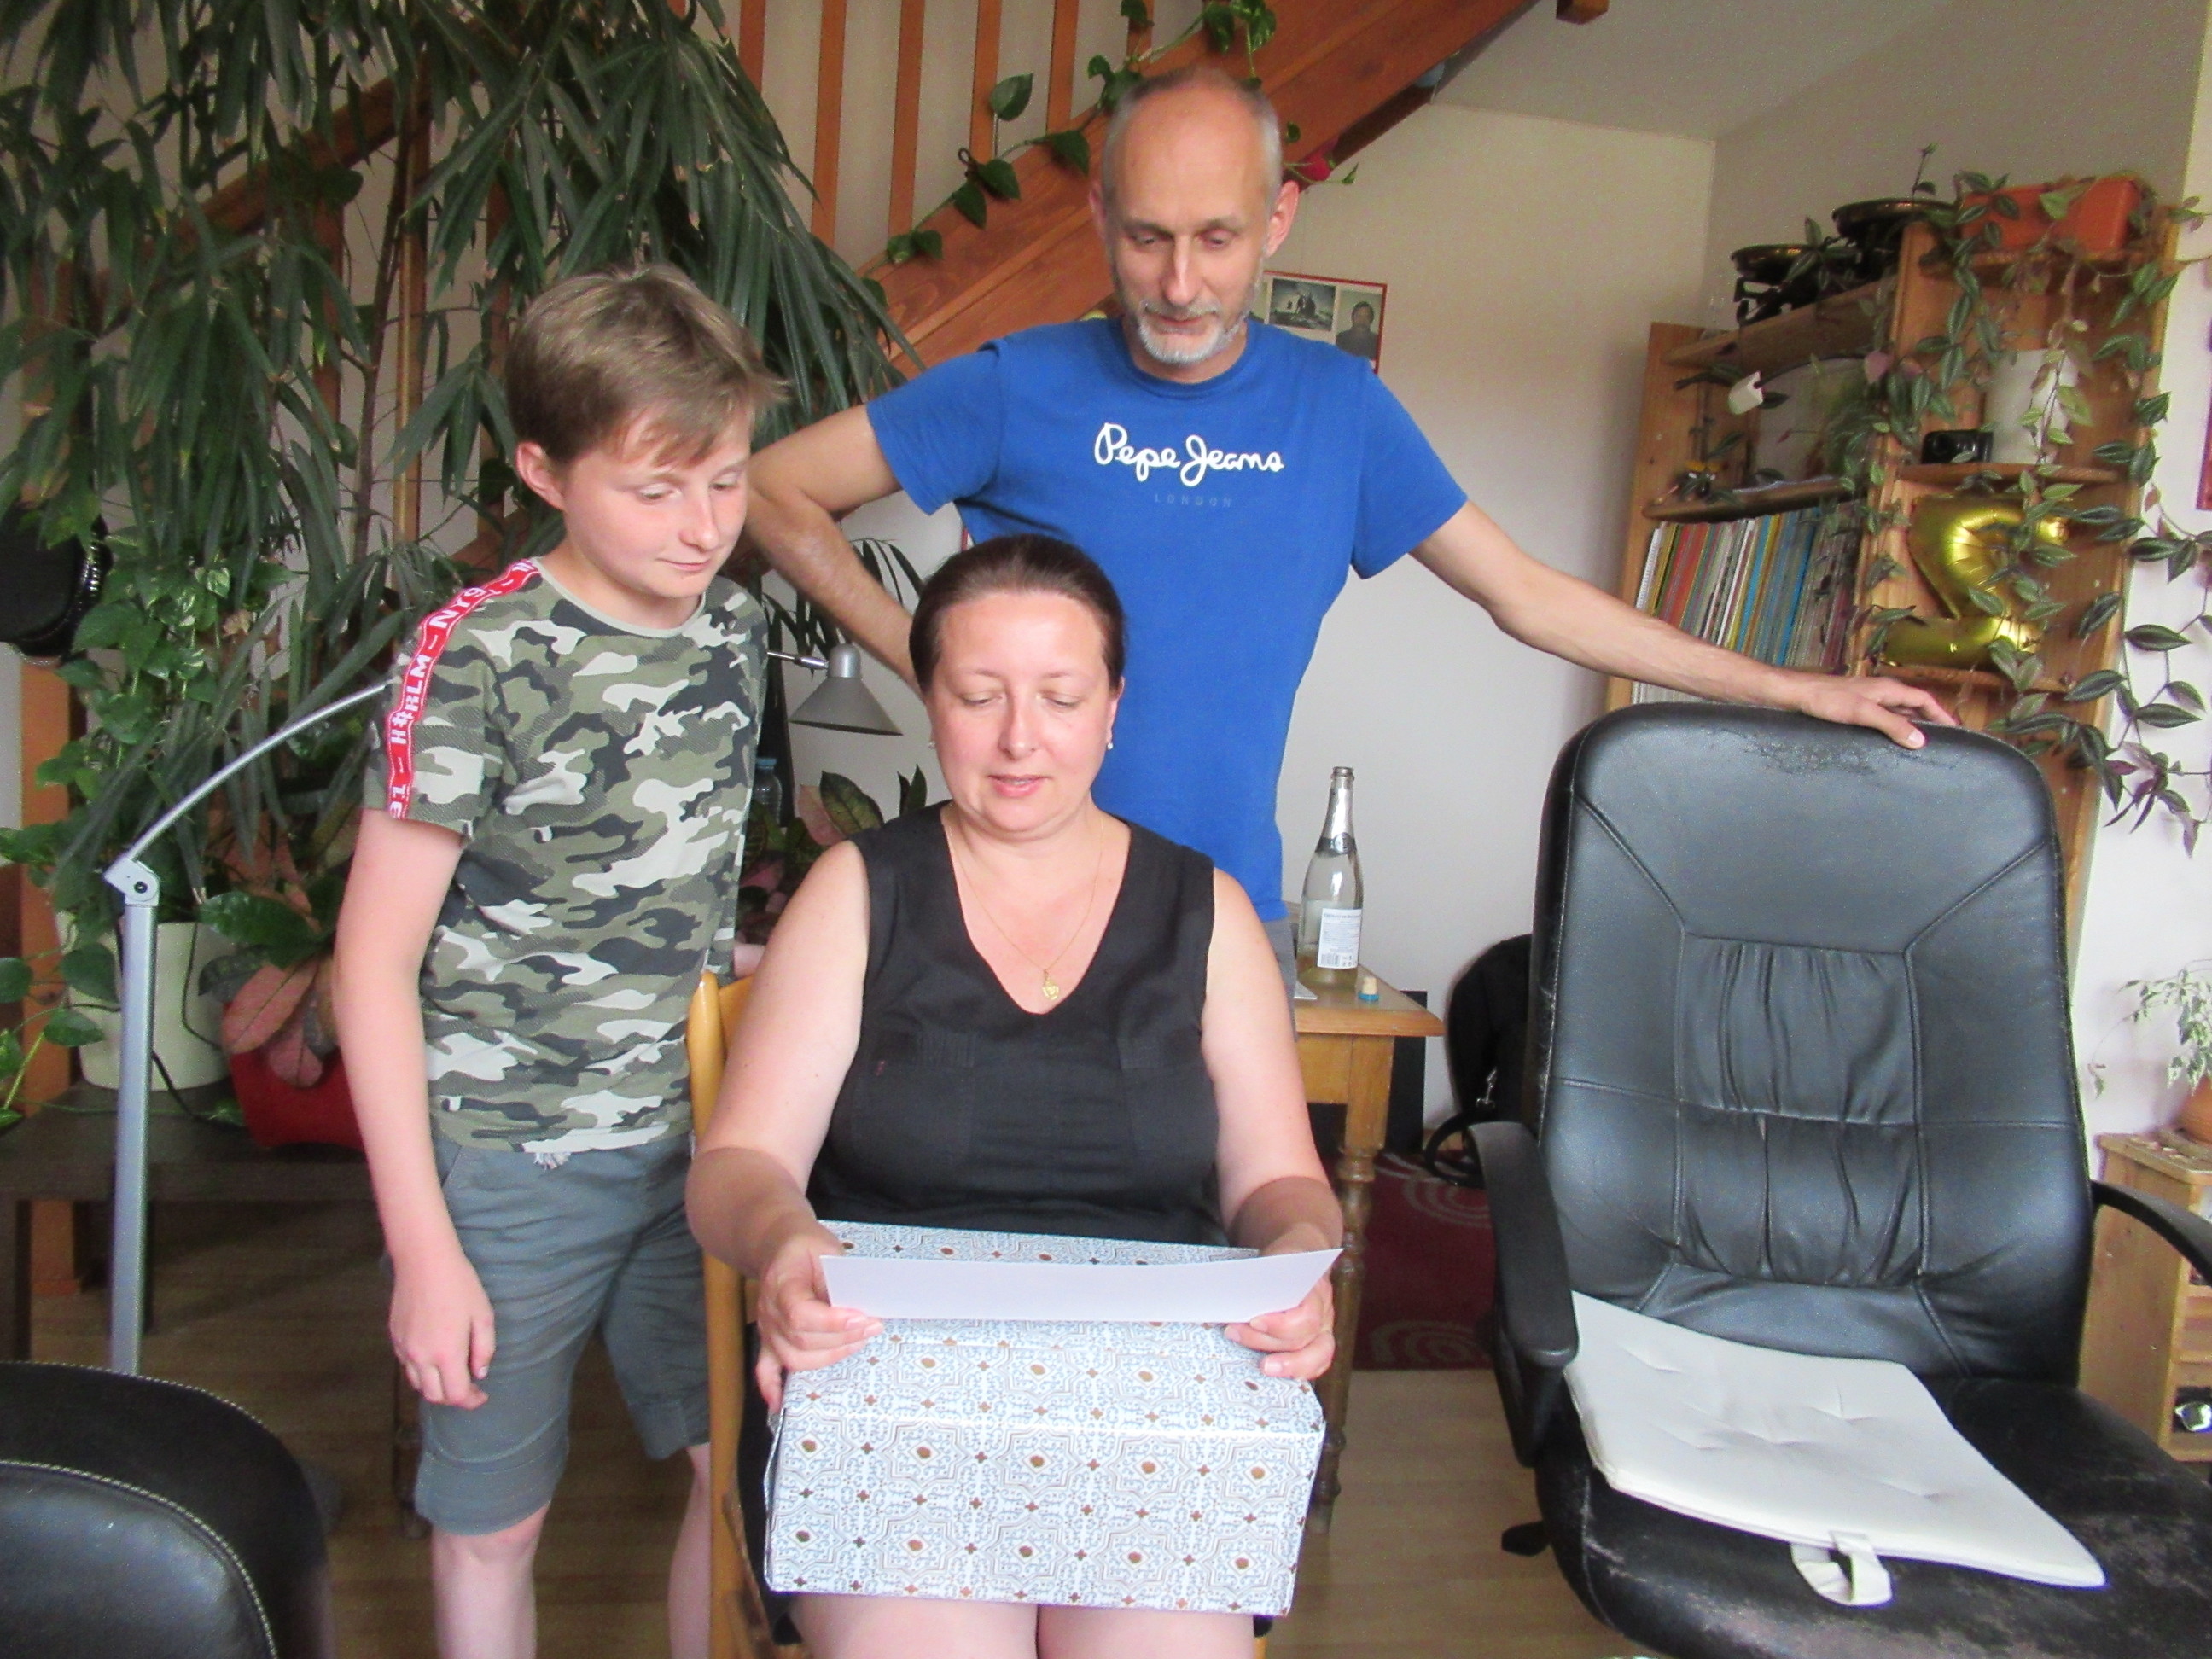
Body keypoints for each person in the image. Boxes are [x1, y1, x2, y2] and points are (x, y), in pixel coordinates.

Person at [741, 65, 1953, 967]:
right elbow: (770, 485)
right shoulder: (1016, 384)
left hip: (1219, 916)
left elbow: (1529, 596)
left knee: (1235, 1224)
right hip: (1001, 904)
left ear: (1278, 221)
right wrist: (922, 658)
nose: (1179, 283)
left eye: (1217, 239)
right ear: (1101, 217)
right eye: (1148, 237)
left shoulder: (1341, 410)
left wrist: (1795, 690)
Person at [687, 535, 1341, 1659]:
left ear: (1114, 709)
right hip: (888, 1388)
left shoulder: (1208, 911)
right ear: (931, 702)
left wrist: (1294, 1262)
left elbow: (1282, 1181)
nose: (1020, 738)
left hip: (1152, 1410)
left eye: (1061, 698)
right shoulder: (858, 892)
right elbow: (737, 1168)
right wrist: (785, 1243)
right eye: (979, 695)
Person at [334, 265, 777, 1659]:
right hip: (509, 1161)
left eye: (727, 479)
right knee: (492, 1524)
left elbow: (684, 886)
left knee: (736, 1486)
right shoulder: (474, 655)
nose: (702, 526)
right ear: (544, 471)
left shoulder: (736, 630)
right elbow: (369, 968)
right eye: (656, 489)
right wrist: (424, 1250)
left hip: (698, 1144)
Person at [1333, 299, 1380, 364]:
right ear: (1352, 317)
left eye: (1367, 317)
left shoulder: (1377, 341)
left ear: (1371, 319)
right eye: (1359, 316)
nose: (1362, 321)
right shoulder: (1341, 338)